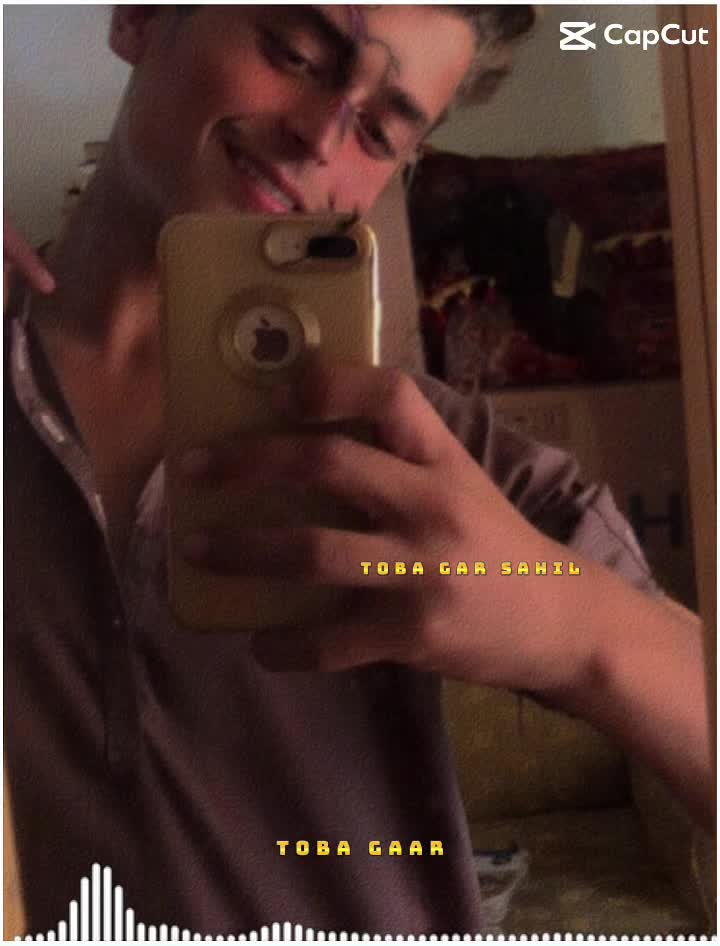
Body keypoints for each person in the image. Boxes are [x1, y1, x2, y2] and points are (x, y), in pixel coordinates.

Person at [4, 5, 713, 937]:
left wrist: (571, 626)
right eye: (293, 52)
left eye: (380, 131)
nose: (322, 134)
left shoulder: (441, 459)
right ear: (141, 15)